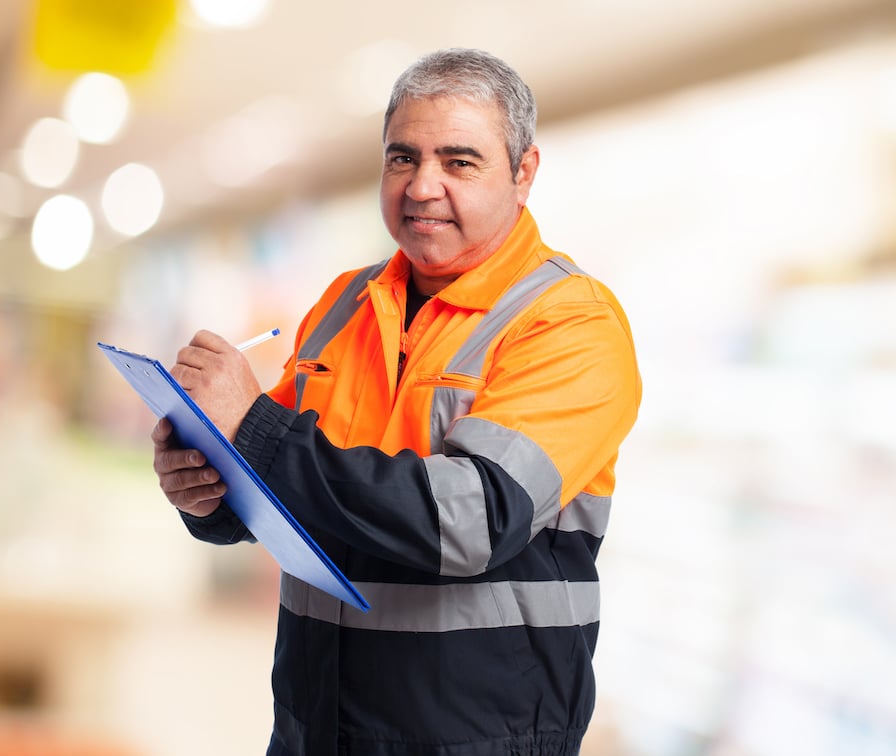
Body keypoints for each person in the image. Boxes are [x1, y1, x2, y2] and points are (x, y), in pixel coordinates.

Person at [151, 48, 641, 756]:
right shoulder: (345, 302)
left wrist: (252, 427)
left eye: (459, 161)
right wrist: (210, 490)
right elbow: (291, 487)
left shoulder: (569, 323)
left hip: (473, 738)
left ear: (523, 172)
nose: (421, 186)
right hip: (314, 724)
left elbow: (471, 521)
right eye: (402, 158)